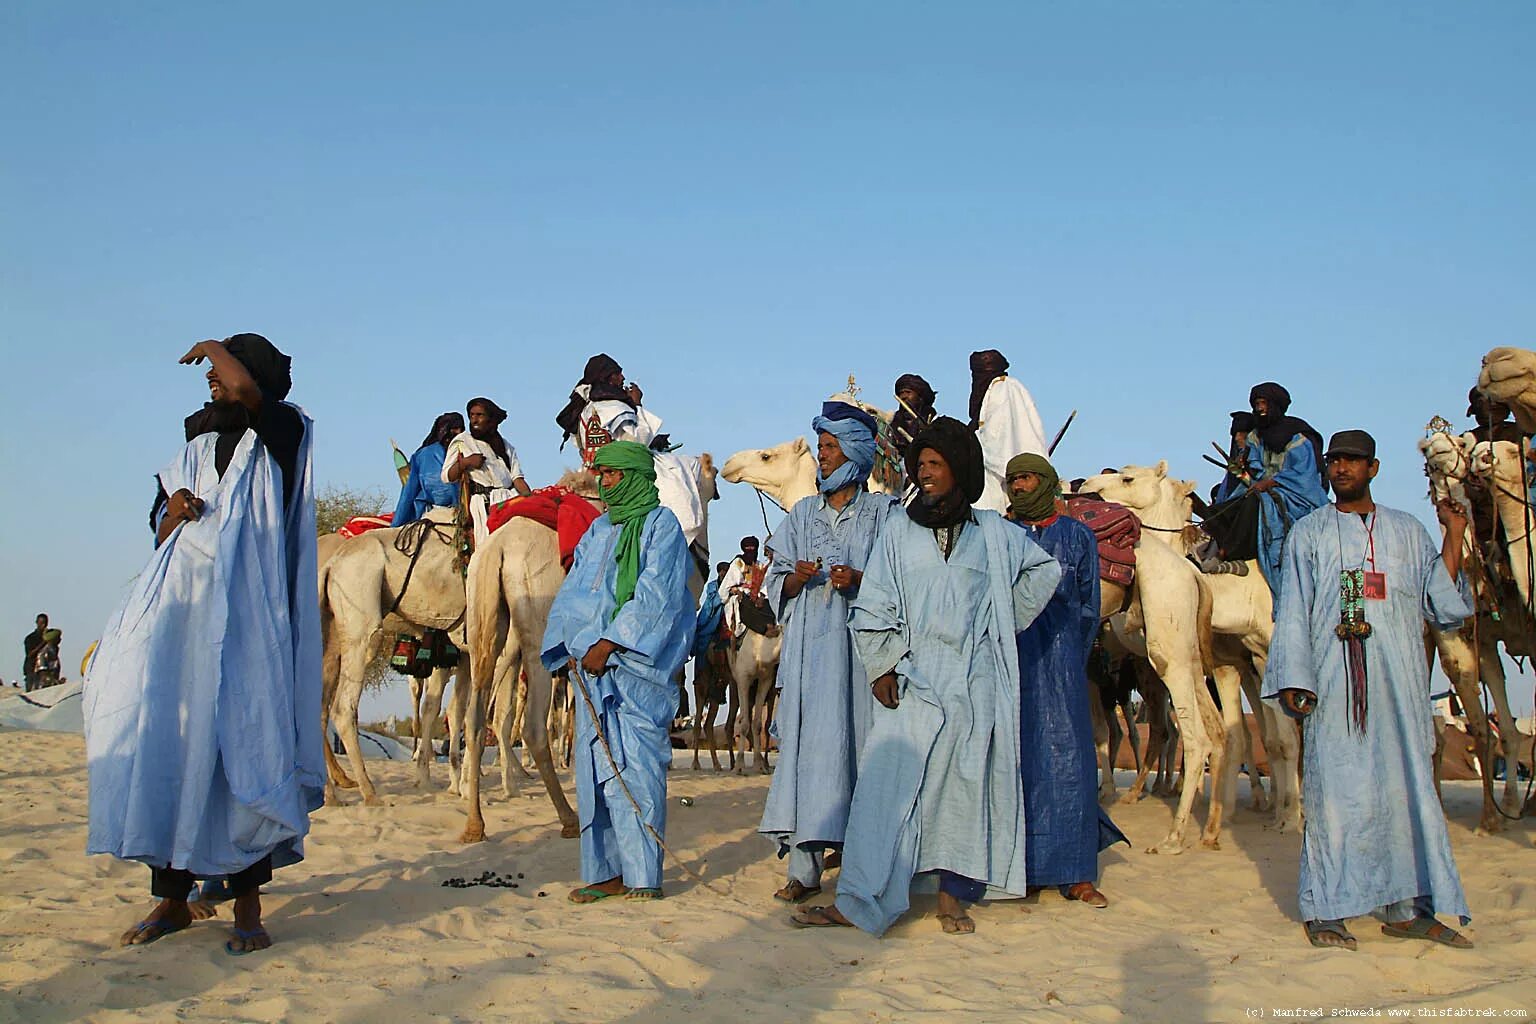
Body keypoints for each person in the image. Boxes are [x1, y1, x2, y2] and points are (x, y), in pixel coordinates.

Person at [85, 334, 323, 955]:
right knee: (174, 747)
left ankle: (247, 903)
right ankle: (172, 898)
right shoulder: (189, 452)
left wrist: (215, 346)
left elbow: (246, 391)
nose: (213, 380)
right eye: (211, 373)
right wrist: (177, 510)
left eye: (223, 371)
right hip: (182, 627)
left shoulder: (282, 432)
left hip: (248, 629)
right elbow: (158, 529)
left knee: (243, 748)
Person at [791, 418, 1061, 936]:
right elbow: (876, 602)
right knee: (885, 785)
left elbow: (1043, 572)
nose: (926, 473)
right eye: (921, 465)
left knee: (962, 786)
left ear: (959, 469)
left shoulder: (995, 534)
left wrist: (999, 623)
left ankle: (950, 898)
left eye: (935, 465)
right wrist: (881, 664)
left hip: (974, 679)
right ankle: (858, 899)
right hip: (912, 676)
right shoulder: (899, 530)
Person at [1264, 430, 1475, 951]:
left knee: (1406, 789)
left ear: (1373, 468)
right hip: (1334, 682)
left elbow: (1443, 604)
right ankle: (1328, 908)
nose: (1341, 469)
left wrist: (1453, 533)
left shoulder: (1408, 532)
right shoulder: (1308, 534)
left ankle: (1409, 909)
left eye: (1352, 462)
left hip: (1399, 684)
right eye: (1334, 462)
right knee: (1334, 791)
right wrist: (1296, 680)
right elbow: (1291, 611)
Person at [540, 440, 695, 904]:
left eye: (611, 475)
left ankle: (644, 875)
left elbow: (658, 595)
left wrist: (611, 642)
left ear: (633, 476)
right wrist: (565, 644)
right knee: (593, 770)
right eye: (600, 475)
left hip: (635, 667)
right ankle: (604, 872)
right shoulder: (597, 530)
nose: (603, 484)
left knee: (637, 767)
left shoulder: (661, 525)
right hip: (587, 666)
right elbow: (574, 592)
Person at [759, 402, 895, 904]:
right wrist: (792, 579)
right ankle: (804, 868)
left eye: (831, 448)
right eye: (820, 448)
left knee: (862, 751)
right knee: (808, 755)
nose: (823, 456)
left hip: (861, 656)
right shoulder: (800, 516)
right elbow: (775, 580)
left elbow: (900, 579)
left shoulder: (885, 514)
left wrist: (863, 581)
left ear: (856, 453)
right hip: (809, 655)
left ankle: (865, 866)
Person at [1004, 453, 1128, 909]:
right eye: (1013, 480)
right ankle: (1028, 870)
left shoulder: (1075, 535)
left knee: (1071, 759)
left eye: (1028, 478)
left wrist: (1070, 653)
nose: (1019, 487)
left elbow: (1089, 603)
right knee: (1020, 760)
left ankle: (1077, 872)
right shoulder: (1002, 533)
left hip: (1062, 661)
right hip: (1012, 660)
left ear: (1047, 481)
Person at [556, 353, 707, 551]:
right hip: (615, 475)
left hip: (587, 471)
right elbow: (636, 444)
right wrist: (637, 404)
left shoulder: (585, 410)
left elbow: (583, 446)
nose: (623, 379)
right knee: (678, 478)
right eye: (619, 374)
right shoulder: (616, 407)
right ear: (609, 378)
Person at [1241, 382, 1329, 595]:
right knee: (1235, 502)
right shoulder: (1255, 436)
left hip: (1297, 494)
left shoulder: (1297, 436)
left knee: (1262, 506)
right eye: (1256, 404)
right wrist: (1253, 478)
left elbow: (1304, 474)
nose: (1260, 409)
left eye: (1263, 404)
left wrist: (1271, 483)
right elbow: (1255, 466)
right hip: (1263, 487)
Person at [968, 349, 1048, 513]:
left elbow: (996, 441)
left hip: (1001, 475)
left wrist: (969, 442)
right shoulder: (998, 389)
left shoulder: (1003, 389)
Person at [443, 397, 531, 544]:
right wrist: (466, 462)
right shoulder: (462, 441)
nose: (474, 420)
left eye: (479, 415)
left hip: (507, 500)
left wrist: (530, 498)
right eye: (471, 415)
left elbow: (517, 479)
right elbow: (446, 476)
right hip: (482, 504)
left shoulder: (506, 446)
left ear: (491, 420)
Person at [393, 412, 464, 525]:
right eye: (454, 429)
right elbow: (408, 494)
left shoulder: (468, 451)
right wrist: (396, 526)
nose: (458, 432)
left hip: (467, 513)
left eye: (461, 429)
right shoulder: (422, 457)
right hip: (431, 515)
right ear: (443, 430)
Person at [890, 374, 938, 458]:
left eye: (908, 392)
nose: (903, 397)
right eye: (901, 393)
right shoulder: (892, 421)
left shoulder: (935, 422)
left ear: (920, 397)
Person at [22, 613, 48, 692]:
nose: (42, 626)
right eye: (40, 623)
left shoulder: (47, 636)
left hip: (44, 670)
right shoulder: (30, 638)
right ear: (37, 623)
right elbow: (29, 654)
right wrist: (42, 644)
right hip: (31, 668)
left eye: (44, 623)